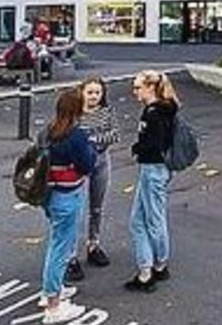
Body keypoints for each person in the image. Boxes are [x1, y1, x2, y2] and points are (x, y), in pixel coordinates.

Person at [39, 88, 97, 325]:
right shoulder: (76, 135)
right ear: (76, 108)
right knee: (61, 248)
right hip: (68, 194)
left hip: (48, 193)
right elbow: (86, 166)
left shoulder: (47, 131)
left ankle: (54, 288)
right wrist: (91, 150)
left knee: (56, 241)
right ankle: (53, 304)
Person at [124, 70, 178, 293]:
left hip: (153, 169)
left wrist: (137, 148)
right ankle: (147, 268)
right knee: (138, 221)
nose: (134, 92)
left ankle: (157, 266)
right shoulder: (165, 109)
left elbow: (153, 145)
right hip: (156, 169)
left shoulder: (153, 114)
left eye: (138, 87)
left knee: (153, 220)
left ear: (151, 88)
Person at [66, 77, 118, 282]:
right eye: (90, 92)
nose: (94, 96)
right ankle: (71, 256)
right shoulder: (74, 113)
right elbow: (69, 136)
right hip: (79, 165)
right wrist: (91, 139)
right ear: (82, 93)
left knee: (97, 207)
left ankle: (93, 244)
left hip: (101, 161)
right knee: (75, 209)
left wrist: (91, 139)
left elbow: (114, 136)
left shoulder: (107, 112)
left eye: (98, 92)